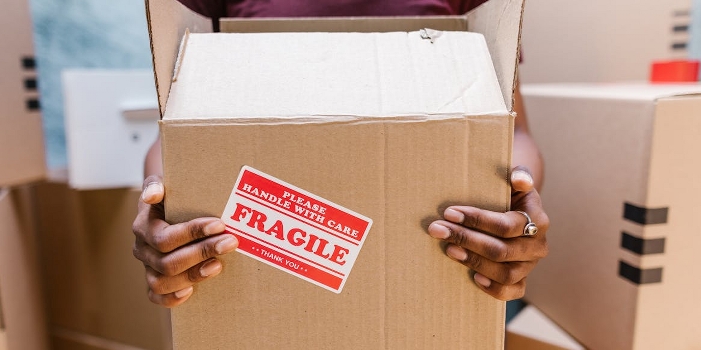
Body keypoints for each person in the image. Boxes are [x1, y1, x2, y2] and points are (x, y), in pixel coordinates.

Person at [132, 0, 549, 308]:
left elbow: (515, 133)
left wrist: (515, 217)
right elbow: (173, 135)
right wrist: (168, 218)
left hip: (439, 279)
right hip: (252, 283)